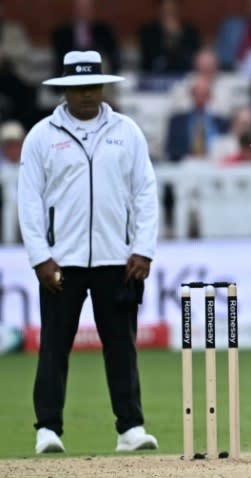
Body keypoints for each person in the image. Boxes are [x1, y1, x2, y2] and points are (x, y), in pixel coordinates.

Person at [17, 50, 160, 454]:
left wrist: (143, 250)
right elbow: (28, 201)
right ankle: (47, 428)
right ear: (65, 90)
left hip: (118, 259)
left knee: (121, 346)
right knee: (55, 345)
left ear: (102, 86)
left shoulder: (126, 131)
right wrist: (40, 257)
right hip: (62, 260)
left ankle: (130, 429)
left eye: (92, 86)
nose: (86, 95)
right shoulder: (42, 136)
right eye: (78, 88)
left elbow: (145, 193)